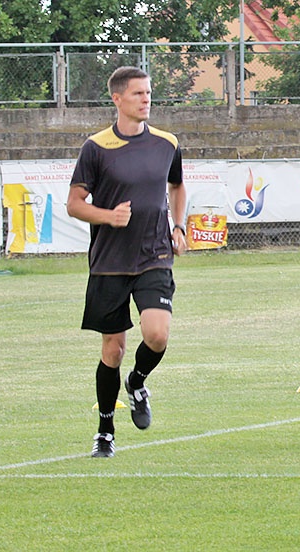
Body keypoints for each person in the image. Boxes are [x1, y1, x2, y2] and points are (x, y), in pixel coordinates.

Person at [67, 66, 187, 457]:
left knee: (157, 334)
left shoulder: (167, 143)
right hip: (109, 262)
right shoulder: (96, 147)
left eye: (149, 93)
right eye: (137, 94)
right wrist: (108, 216)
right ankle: (105, 431)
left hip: (154, 256)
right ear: (117, 99)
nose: (146, 99)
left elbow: (177, 186)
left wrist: (179, 226)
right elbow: (74, 204)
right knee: (112, 351)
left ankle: (137, 381)